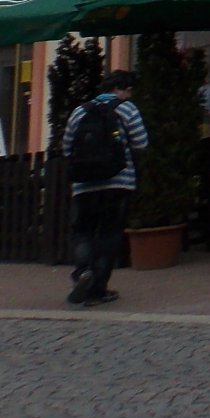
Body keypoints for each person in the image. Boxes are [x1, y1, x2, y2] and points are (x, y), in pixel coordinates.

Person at [63, 69, 150, 308]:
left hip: (84, 185)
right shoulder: (127, 109)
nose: (130, 94)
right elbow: (141, 143)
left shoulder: (80, 112)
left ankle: (82, 271)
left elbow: (67, 148)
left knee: (83, 230)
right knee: (110, 233)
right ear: (122, 89)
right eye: (129, 89)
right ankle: (98, 289)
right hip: (119, 182)